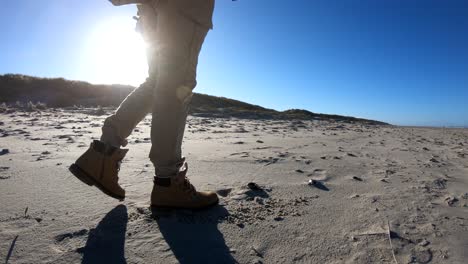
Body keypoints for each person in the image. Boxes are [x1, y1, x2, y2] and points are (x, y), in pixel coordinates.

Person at [69, 0, 218, 209]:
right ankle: (168, 182)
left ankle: (103, 153)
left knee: (156, 81)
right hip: (183, 6)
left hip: (149, 7)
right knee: (177, 84)